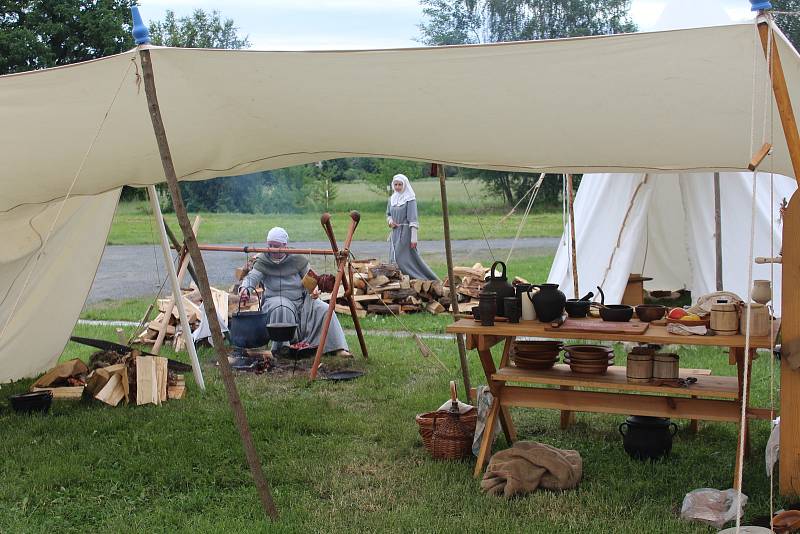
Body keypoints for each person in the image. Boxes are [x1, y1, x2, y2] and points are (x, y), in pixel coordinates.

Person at [239, 227, 351, 357]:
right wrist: (245, 289)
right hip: (274, 301)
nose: (272, 249)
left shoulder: (297, 259)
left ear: (285, 246)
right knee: (282, 306)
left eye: (276, 246)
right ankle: (282, 350)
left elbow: (311, 280)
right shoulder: (263, 260)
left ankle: (336, 348)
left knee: (324, 308)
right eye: (270, 245)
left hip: (301, 302)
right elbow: (251, 278)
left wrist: (314, 291)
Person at [386, 174, 440, 281]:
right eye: (395, 184)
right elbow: (388, 215)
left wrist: (414, 238)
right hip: (395, 233)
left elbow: (413, 220)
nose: (397, 187)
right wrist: (390, 222)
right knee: (394, 257)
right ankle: (399, 279)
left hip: (406, 233)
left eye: (400, 184)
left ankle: (422, 278)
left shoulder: (410, 199)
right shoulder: (392, 199)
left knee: (402, 258)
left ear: (405, 185)